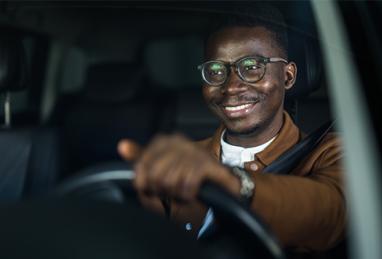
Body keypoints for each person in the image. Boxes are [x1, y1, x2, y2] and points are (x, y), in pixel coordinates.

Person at [118, 4, 346, 257]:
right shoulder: (186, 159)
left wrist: (234, 184)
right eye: (216, 71)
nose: (231, 87)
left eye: (251, 67)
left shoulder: (330, 152)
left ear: (288, 76)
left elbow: (330, 213)